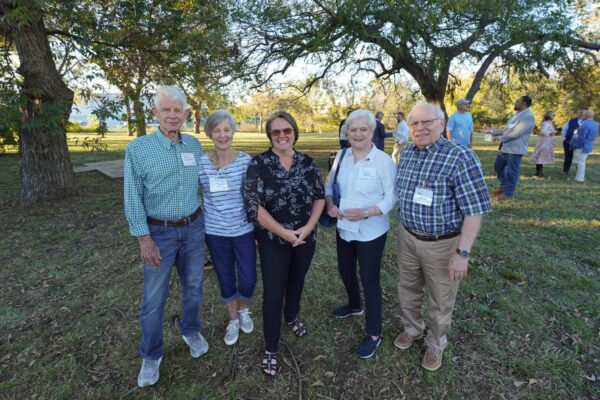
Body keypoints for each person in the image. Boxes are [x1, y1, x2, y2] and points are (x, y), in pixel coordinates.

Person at [394, 102, 492, 372]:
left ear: (442, 123)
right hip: (408, 236)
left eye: (427, 122)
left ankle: (436, 342)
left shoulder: (460, 156)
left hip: (442, 243)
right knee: (408, 288)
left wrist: (462, 253)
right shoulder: (407, 153)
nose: (420, 128)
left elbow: (474, 210)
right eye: (414, 123)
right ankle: (412, 328)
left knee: (440, 297)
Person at [124, 86, 207, 388]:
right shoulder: (138, 149)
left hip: (194, 228)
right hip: (159, 232)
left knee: (194, 287)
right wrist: (144, 238)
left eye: (178, 110)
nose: (173, 115)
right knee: (154, 299)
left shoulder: (194, 146)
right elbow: (132, 196)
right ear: (155, 113)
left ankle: (191, 330)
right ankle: (151, 354)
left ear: (186, 114)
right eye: (166, 110)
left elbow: (205, 183)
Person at [242, 111, 325, 376]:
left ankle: (291, 316)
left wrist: (307, 229)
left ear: (294, 132)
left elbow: (320, 197)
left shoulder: (308, 162)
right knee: (274, 292)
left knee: (297, 280)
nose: (281, 136)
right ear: (269, 136)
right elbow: (254, 206)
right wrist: (285, 234)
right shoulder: (259, 164)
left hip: (305, 238)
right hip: (272, 240)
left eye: (286, 130)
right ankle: (271, 346)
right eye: (276, 132)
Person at [325, 109, 396, 359]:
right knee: (345, 270)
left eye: (363, 129)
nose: (357, 134)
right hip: (345, 227)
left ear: (372, 132)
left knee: (370, 279)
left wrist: (367, 213)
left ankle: (374, 334)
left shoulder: (383, 161)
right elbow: (329, 185)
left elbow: (392, 197)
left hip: (371, 231)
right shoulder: (342, 155)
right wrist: (330, 204)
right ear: (347, 133)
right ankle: (355, 305)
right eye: (352, 130)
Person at [198, 110, 256, 346]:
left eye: (227, 130)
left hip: (243, 230)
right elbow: (193, 193)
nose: (222, 135)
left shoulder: (245, 161)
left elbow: (254, 198)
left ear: (233, 132)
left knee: (248, 277)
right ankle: (233, 319)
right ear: (210, 133)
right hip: (215, 232)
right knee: (224, 276)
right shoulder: (201, 163)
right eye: (217, 130)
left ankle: (242, 309)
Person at [484, 95, 535, 200]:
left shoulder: (528, 116)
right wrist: (492, 131)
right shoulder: (516, 114)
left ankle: (508, 193)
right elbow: (507, 130)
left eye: (518, 101)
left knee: (512, 171)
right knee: (498, 167)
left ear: (524, 104)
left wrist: (499, 139)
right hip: (506, 148)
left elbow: (515, 134)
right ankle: (503, 187)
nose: (516, 103)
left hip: (515, 150)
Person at [570, 109, 599, 183]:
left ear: (586, 116)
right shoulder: (596, 124)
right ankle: (579, 177)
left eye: (583, 115)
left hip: (581, 146)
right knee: (581, 162)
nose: (582, 116)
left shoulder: (585, 124)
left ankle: (579, 178)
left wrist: (575, 145)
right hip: (588, 145)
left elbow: (581, 137)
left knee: (580, 163)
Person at [530, 111, 556, 177]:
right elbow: (543, 131)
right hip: (544, 141)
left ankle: (539, 171)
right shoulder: (545, 123)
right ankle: (539, 172)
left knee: (542, 156)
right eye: (553, 115)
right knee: (540, 156)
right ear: (549, 116)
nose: (554, 117)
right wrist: (550, 133)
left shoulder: (549, 123)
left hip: (547, 141)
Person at [561, 110, 586, 175]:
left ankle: (578, 172)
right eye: (581, 112)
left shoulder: (587, 122)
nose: (581, 114)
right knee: (567, 157)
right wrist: (564, 138)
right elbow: (565, 129)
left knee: (578, 158)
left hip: (579, 144)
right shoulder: (572, 120)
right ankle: (565, 171)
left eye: (583, 113)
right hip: (568, 142)